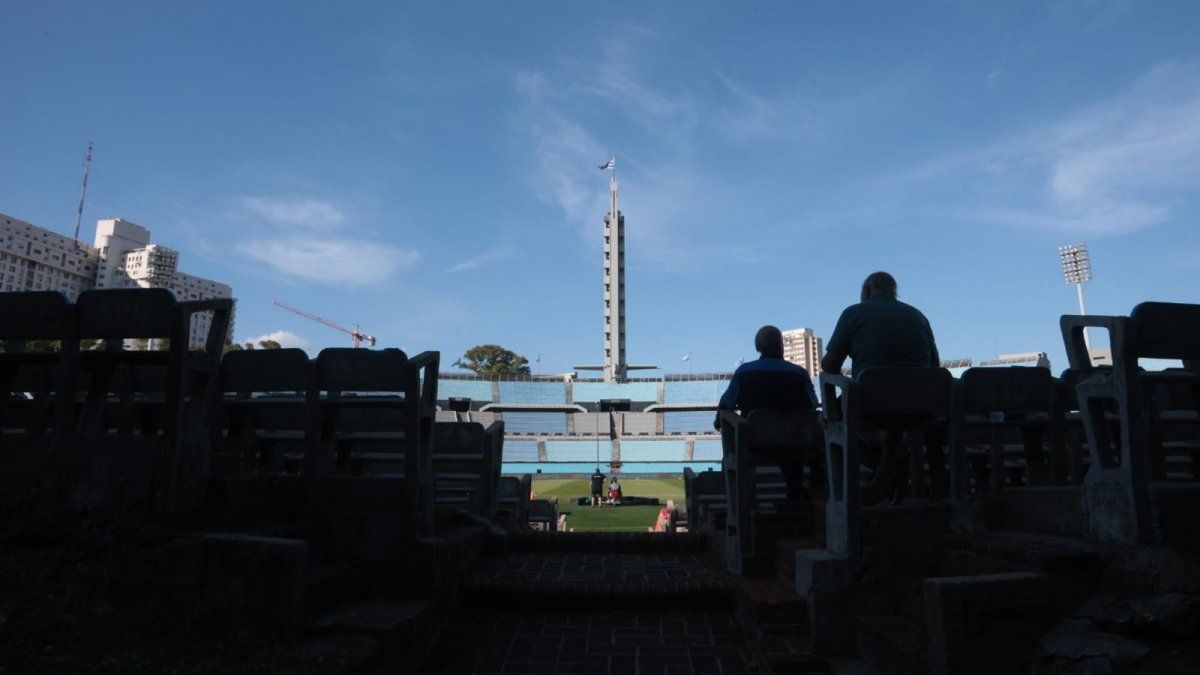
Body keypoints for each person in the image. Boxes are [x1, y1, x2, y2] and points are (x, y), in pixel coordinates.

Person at [820, 271, 944, 502]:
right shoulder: (918, 316)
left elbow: (829, 365)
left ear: (866, 291)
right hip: (920, 404)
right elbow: (934, 365)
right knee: (897, 423)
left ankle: (857, 490)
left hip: (870, 402)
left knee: (829, 421)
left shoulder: (853, 313)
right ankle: (892, 477)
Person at [715, 325, 820, 499]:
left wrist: (719, 422)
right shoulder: (800, 374)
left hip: (754, 445)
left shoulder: (744, 372)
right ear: (781, 346)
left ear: (757, 347)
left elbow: (725, 406)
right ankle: (806, 500)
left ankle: (736, 503)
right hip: (795, 443)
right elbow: (812, 405)